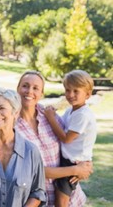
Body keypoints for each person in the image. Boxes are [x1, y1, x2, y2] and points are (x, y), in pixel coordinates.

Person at [15, 70, 93, 206]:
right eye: (25, 86)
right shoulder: (11, 125)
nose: (29, 91)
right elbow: (30, 170)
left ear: (42, 93)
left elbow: (72, 141)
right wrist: (75, 170)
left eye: (35, 88)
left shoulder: (49, 116)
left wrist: (86, 165)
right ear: (18, 89)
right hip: (37, 200)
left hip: (71, 199)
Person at [44, 70, 97, 207]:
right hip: (67, 159)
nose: (70, 95)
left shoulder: (83, 115)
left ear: (88, 94)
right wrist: (53, 115)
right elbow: (60, 125)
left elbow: (66, 138)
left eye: (76, 91)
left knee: (61, 200)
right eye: (67, 90)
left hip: (73, 162)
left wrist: (50, 117)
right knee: (60, 194)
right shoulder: (71, 110)